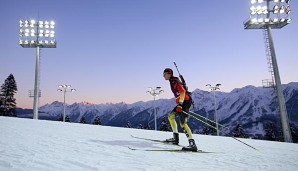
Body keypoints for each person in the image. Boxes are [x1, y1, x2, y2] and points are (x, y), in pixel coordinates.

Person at [163, 68, 198, 151]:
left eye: (164, 74)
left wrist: (180, 104)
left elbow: (182, 91)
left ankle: (192, 145)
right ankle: (175, 138)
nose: (163, 76)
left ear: (169, 74)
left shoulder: (174, 81)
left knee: (183, 123)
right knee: (171, 116)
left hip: (185, 102)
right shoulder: (173, 81)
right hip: (183, 101)